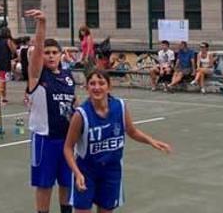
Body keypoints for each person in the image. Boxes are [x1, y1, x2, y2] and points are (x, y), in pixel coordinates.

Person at [63, 70, 172, 212]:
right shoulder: (81, 115)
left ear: (109, 87)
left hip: (111, 170)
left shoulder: (119, 106)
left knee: (107, 209)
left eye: (101, 83)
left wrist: (151, 141)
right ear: (86, 87)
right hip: (86, 171)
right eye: (92, 84)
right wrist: (77, 173)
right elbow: (68, 147)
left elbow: (131, 131)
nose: (97, 87)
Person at [24, 10, 76, 213]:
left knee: (66, 181)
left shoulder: (68, 76)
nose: (51, 56)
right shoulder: (38, 75)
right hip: (45, 139)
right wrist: (42, 24)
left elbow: (73, 103)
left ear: (61, 55)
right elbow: (37, 51)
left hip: (66, 139)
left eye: (55, 52)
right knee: (45, 184)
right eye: (47, 52)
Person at [0, 26, 17, 103]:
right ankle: (0, 97)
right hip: (4, 62)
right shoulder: (8, 41)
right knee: (2, 80)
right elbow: (13, 50)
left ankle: (4, 96)